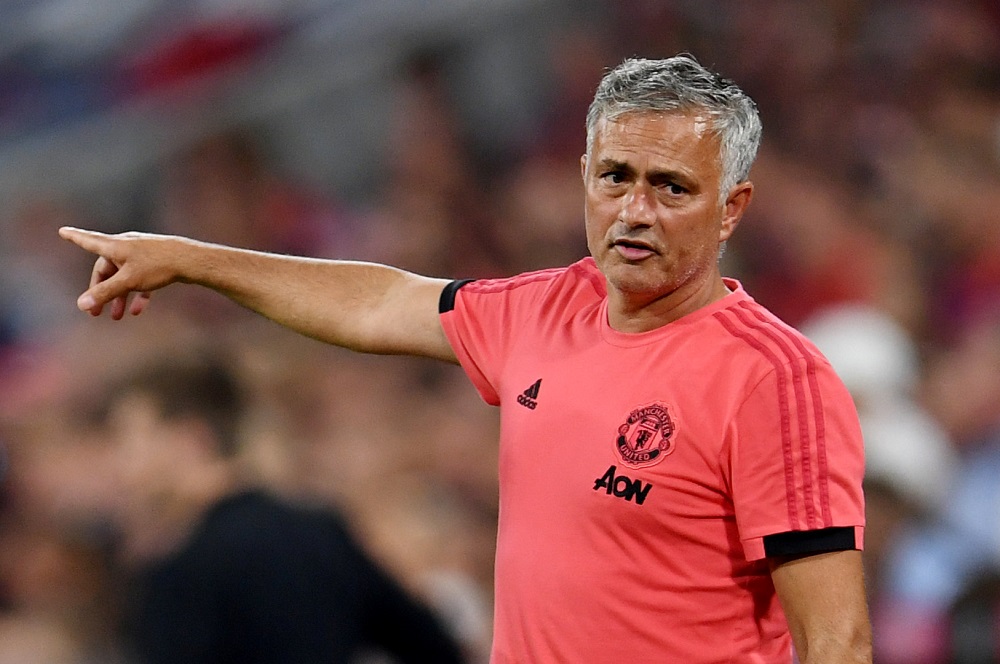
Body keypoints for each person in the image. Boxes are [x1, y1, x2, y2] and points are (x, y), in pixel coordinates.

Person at [60, 55, 872, 663]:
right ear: (582, 176)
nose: (634, 211)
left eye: (671, 188)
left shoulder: (774, 379)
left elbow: (834, 637)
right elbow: (377, 301)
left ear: (732, 208)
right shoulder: (544, 309)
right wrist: (190, 259)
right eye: (616, 177)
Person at [93, 350, 465, 664]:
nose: (121, 462)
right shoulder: (320, 530)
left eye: (131, 438)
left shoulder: (182, 572)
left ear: (192, 439)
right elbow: (434, 647)